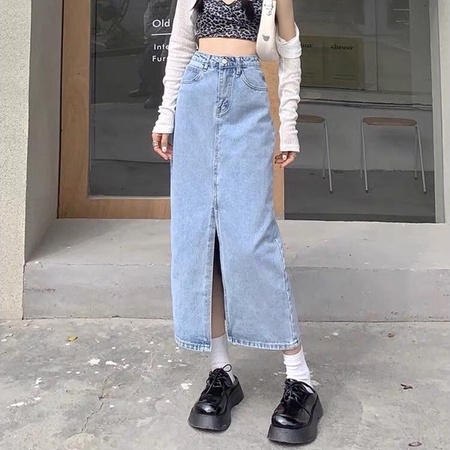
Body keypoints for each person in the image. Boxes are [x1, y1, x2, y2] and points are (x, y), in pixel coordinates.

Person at [151, 0, 323, 444]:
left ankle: (300, 378)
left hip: (247, 95)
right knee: (199, 240)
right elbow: (180, 46)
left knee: (250, 241)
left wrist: (289, 127)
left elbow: (291, 54)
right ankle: (221, 372)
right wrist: (167, 113)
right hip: (196, 96)